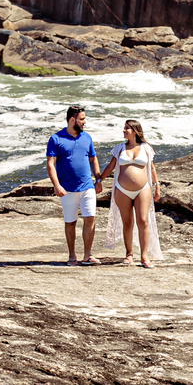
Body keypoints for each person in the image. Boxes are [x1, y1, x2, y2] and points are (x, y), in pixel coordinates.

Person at [99, 119, 162, 268]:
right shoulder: (120, 148)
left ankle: (144, 256)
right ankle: (129, 254)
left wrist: (157, 185)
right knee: (127, 223)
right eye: (124, 128)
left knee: (143, 221)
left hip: (143, 189)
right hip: (122, 190)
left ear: (135, 131)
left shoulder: (146, 148)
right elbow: (111, 166)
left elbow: (151, 168)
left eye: (127, 128)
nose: (124, 130)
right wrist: (99, 179)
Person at [46, 105, 104, 266]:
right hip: (67, 189)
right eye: (82, 119)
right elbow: (50, 164)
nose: (85, 122)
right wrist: (56, 185)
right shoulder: (56, 139)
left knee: (90, 218)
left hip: (87, 187)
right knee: (70, 222)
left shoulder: (86, 137)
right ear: (72, 119)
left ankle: (87, 255)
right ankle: (72, 256)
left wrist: (98, 180)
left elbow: (93, 159)